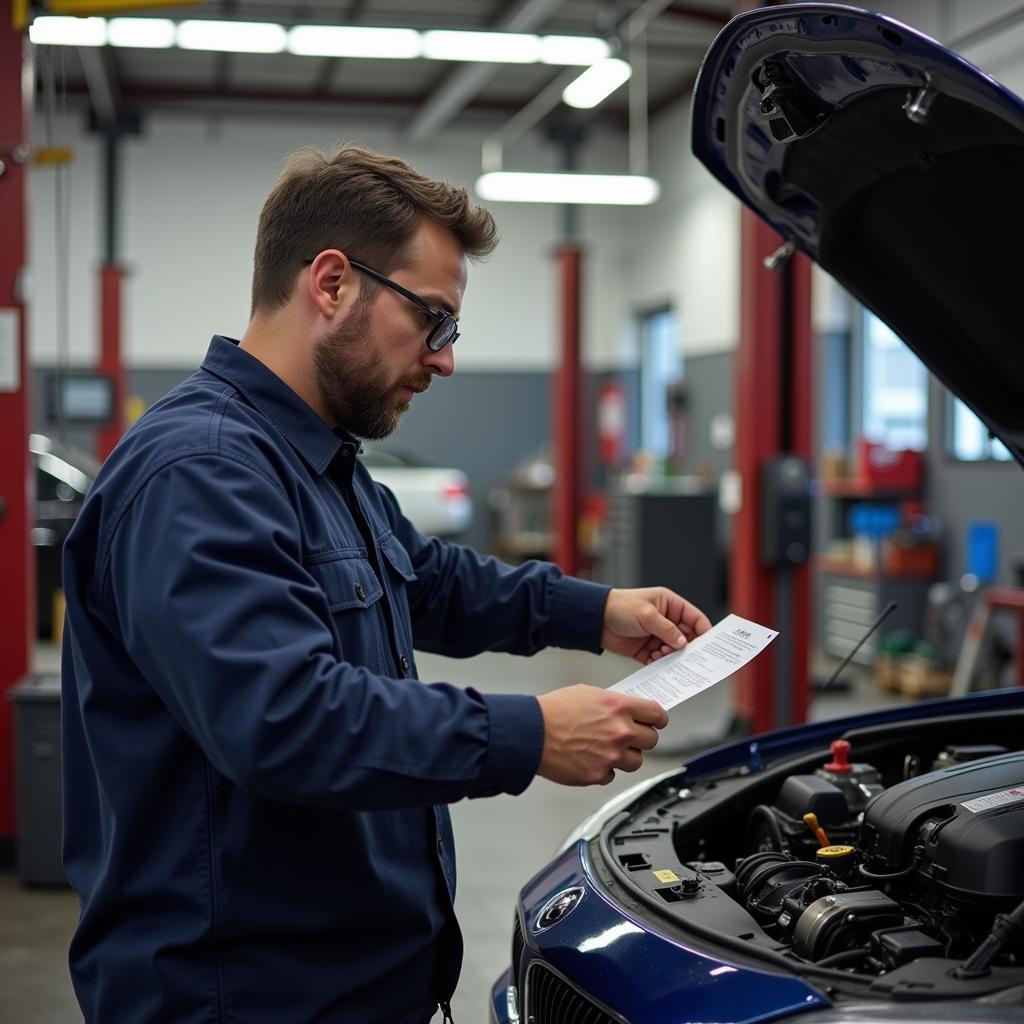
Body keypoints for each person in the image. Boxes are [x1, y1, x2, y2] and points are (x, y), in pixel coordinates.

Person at [61, 144, 711, 1024]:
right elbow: (283, 717)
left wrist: (594, 611)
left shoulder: (317, 457)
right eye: (433, 320)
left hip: (344, 984)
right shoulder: (199, 472)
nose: (443, 360)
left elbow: (427, 579)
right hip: (240, 998)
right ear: (331, 283)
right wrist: (529, 733)